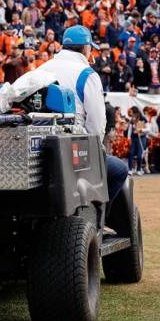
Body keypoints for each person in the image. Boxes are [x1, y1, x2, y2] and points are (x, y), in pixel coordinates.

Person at [38, 25, 129, 213]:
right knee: (119, 169)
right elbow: (96, 122)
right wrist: (97, 149)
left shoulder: (42, 69)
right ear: (86, 48)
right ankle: (97, 218)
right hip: (75, 147)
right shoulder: (87, 74)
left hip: (42, 146)